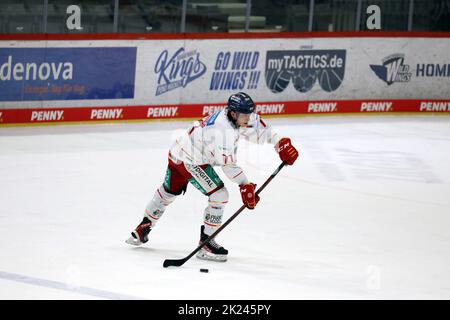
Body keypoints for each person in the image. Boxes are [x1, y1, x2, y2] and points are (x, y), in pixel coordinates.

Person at [126, 92, 299, 262]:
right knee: (219, 195)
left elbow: (261, 128)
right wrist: (244, 185)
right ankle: (206, 243)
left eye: (249, 113)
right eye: (245, 114)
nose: (248, 118)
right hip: (190, 160)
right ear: (233, 113)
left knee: (168, 192)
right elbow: (228, 165)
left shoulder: (238, 116)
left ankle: (142, 229)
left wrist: (280, 142)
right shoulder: (221, 130)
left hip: (177, 152)